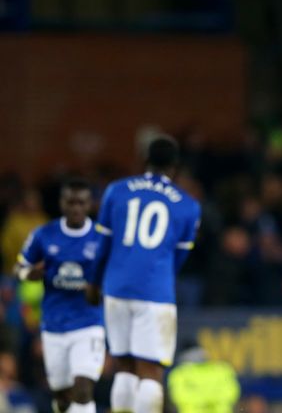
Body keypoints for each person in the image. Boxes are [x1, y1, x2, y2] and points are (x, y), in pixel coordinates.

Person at [87, 136, 201, 413]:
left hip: (116, 288)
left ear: (143, 161)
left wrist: (94, 281)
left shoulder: (117, 191)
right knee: (150, 370)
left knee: (124, 367)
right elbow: (179, 257)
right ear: (174, 167)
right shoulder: (188, 206)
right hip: (155, 291)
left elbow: (102, 244)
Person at [14, 178, 104, 413]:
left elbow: (114, 276)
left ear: (89, 204)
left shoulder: (100, 238)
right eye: (70, 202)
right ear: (61, 203)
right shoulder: (43, 234)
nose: (76, 208)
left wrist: (99, 290)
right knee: (62, 398)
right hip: (54, 325)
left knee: (83, 388)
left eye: (81, 203)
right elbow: (19, 268)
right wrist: (28, 274)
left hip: (88, 324)